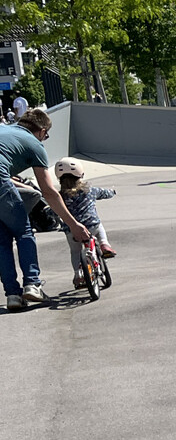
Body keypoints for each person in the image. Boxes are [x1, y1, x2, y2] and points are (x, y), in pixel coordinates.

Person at [1, 107, 92, 310]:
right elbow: (49, 192)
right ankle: (32, 285)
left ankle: (13, 295)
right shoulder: (34, 144)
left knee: (2, 241)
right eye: (46, 135)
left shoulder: (4, 129)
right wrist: (73, 224)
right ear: (42, 131)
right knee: (23, 232)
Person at [53, 158, 117, 284]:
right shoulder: (90, 190)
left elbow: (53, 210)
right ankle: (104, 244)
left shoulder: (59, 196)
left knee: (75, 251)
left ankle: (78, 275)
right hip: (91, 224)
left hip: (71, 230)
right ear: (81, 174)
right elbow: (105, 193)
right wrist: (112, 192)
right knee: (99, 227)